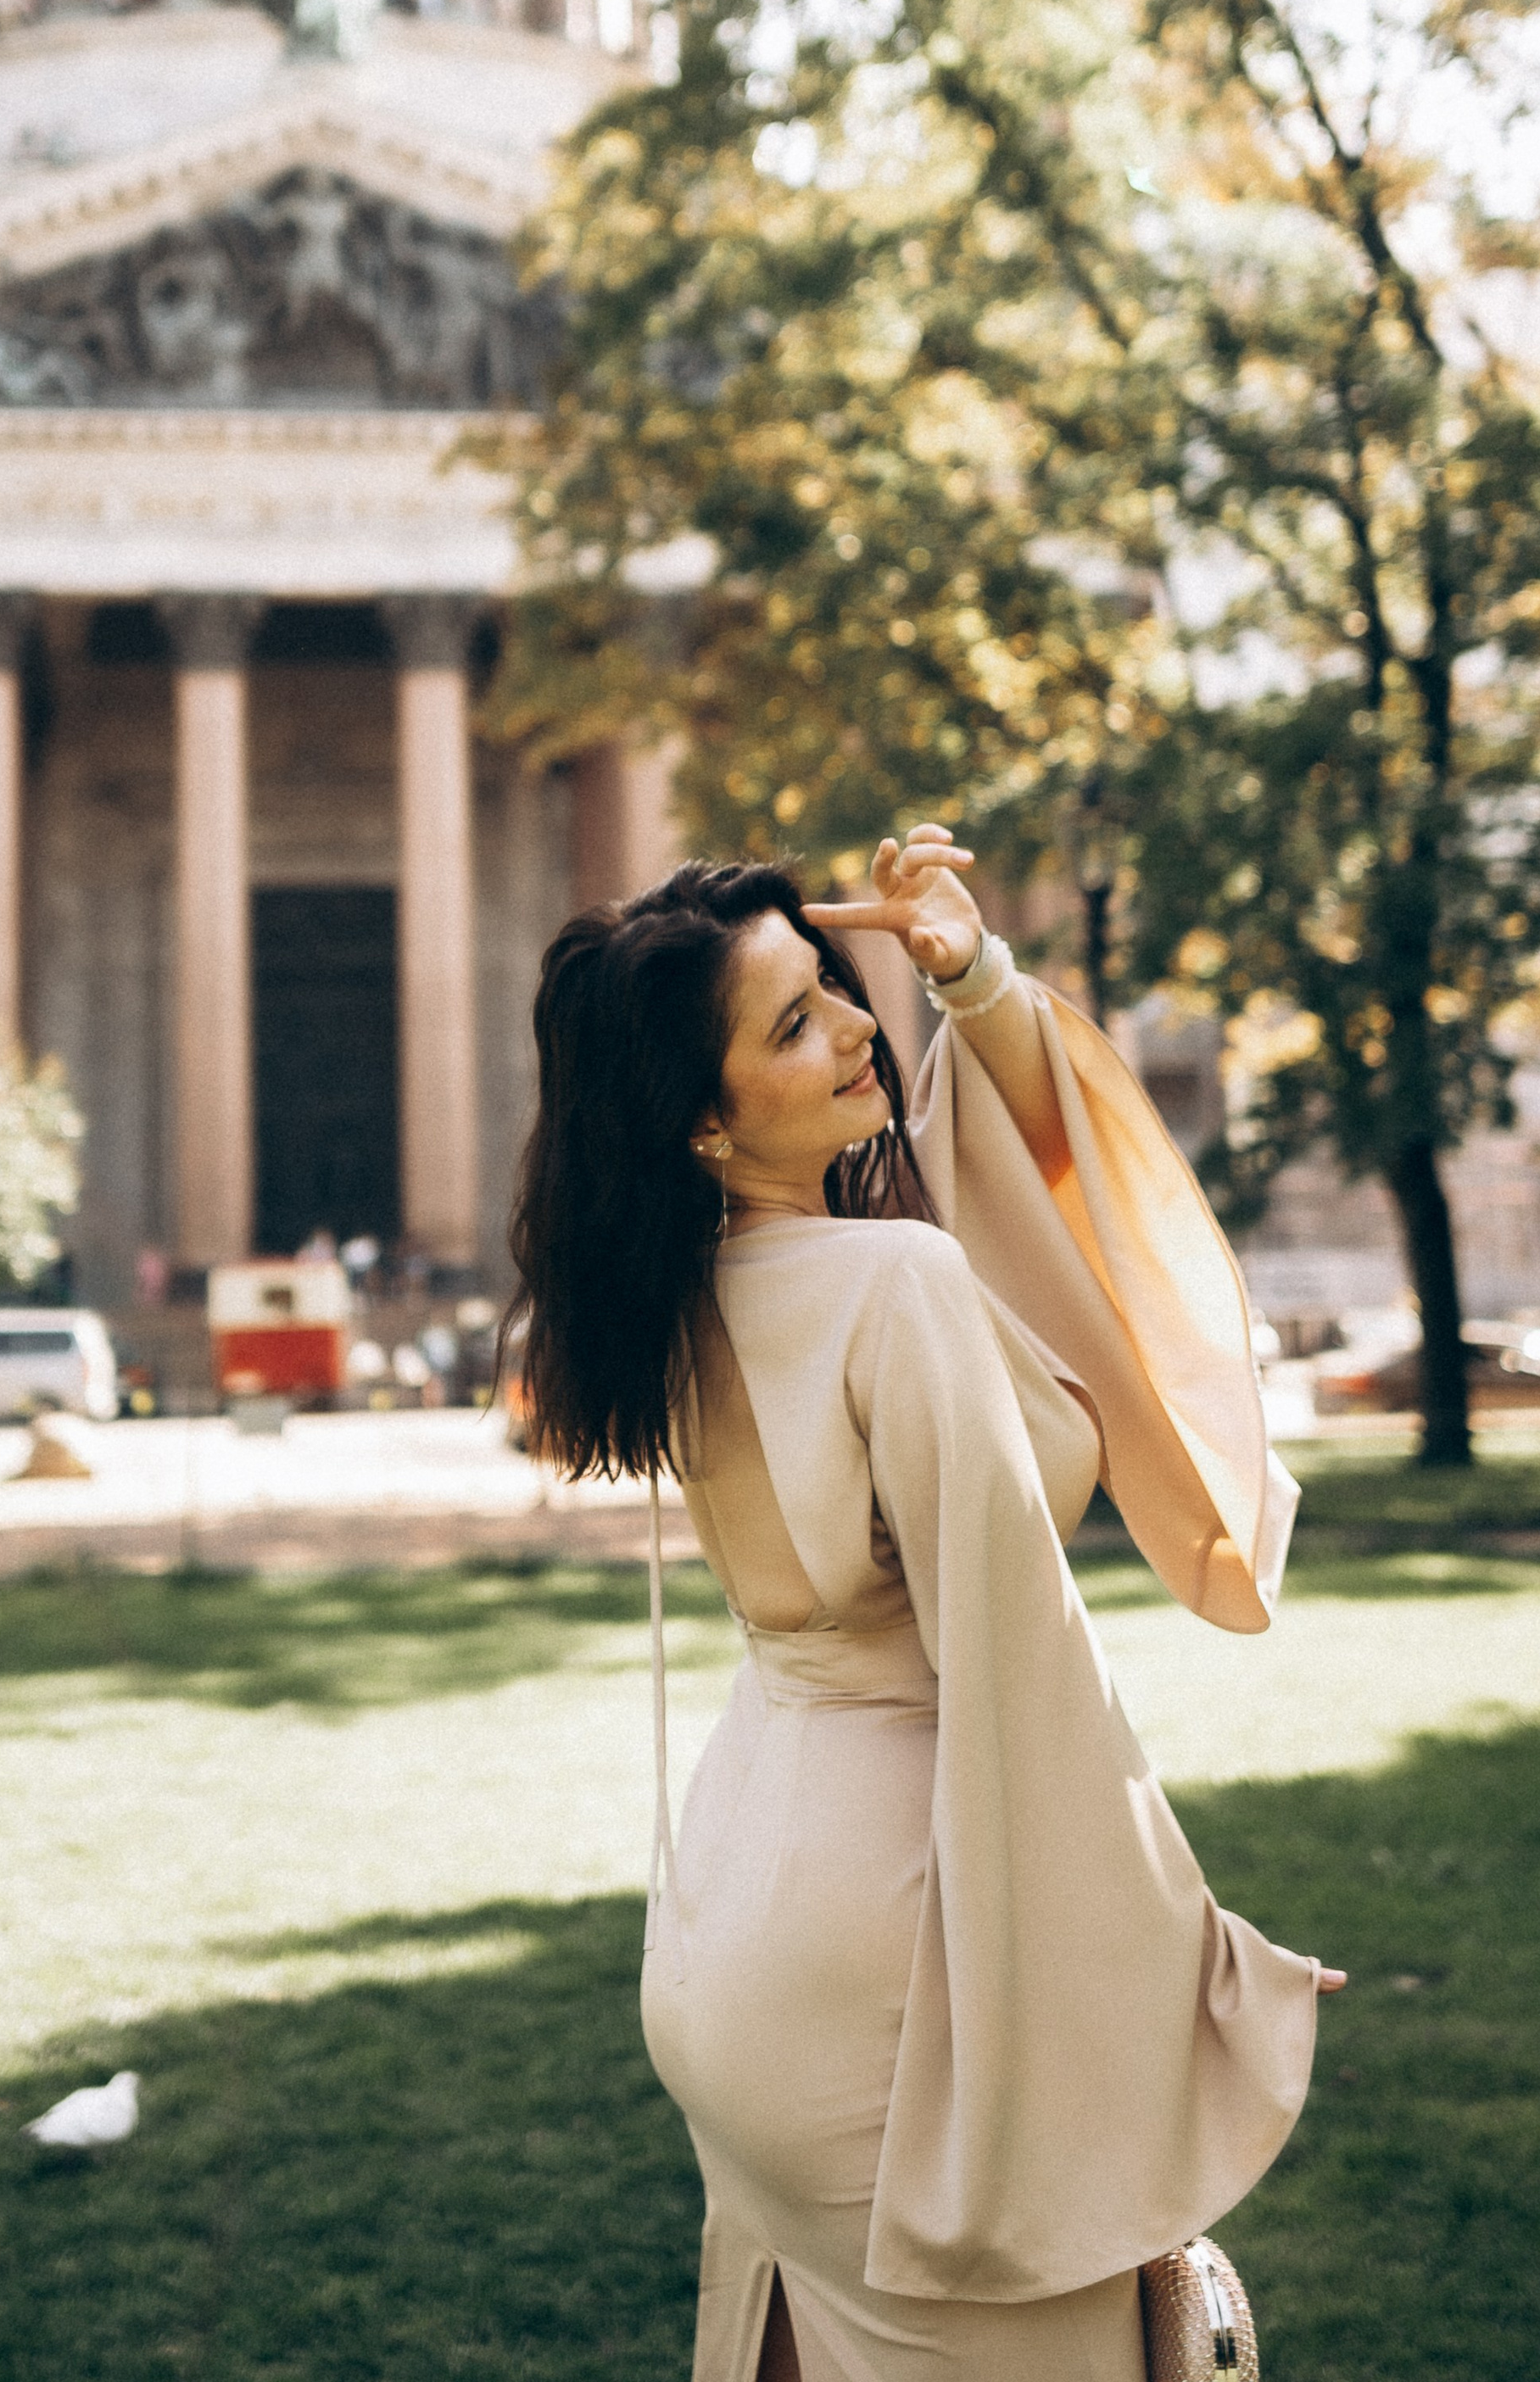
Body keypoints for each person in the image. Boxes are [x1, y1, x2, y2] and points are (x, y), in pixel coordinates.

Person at [509, 828, 1344, 2382]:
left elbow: (979, 1189)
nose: (852, 1023)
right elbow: (1024, 1664)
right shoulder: (890, 1285)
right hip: (894, 1948)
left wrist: (971, 974)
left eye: (834, 984)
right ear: (705, 1118)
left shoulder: (681, 1292)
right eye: (793, 1022)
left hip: (736, 1920)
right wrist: (1191, 1959)